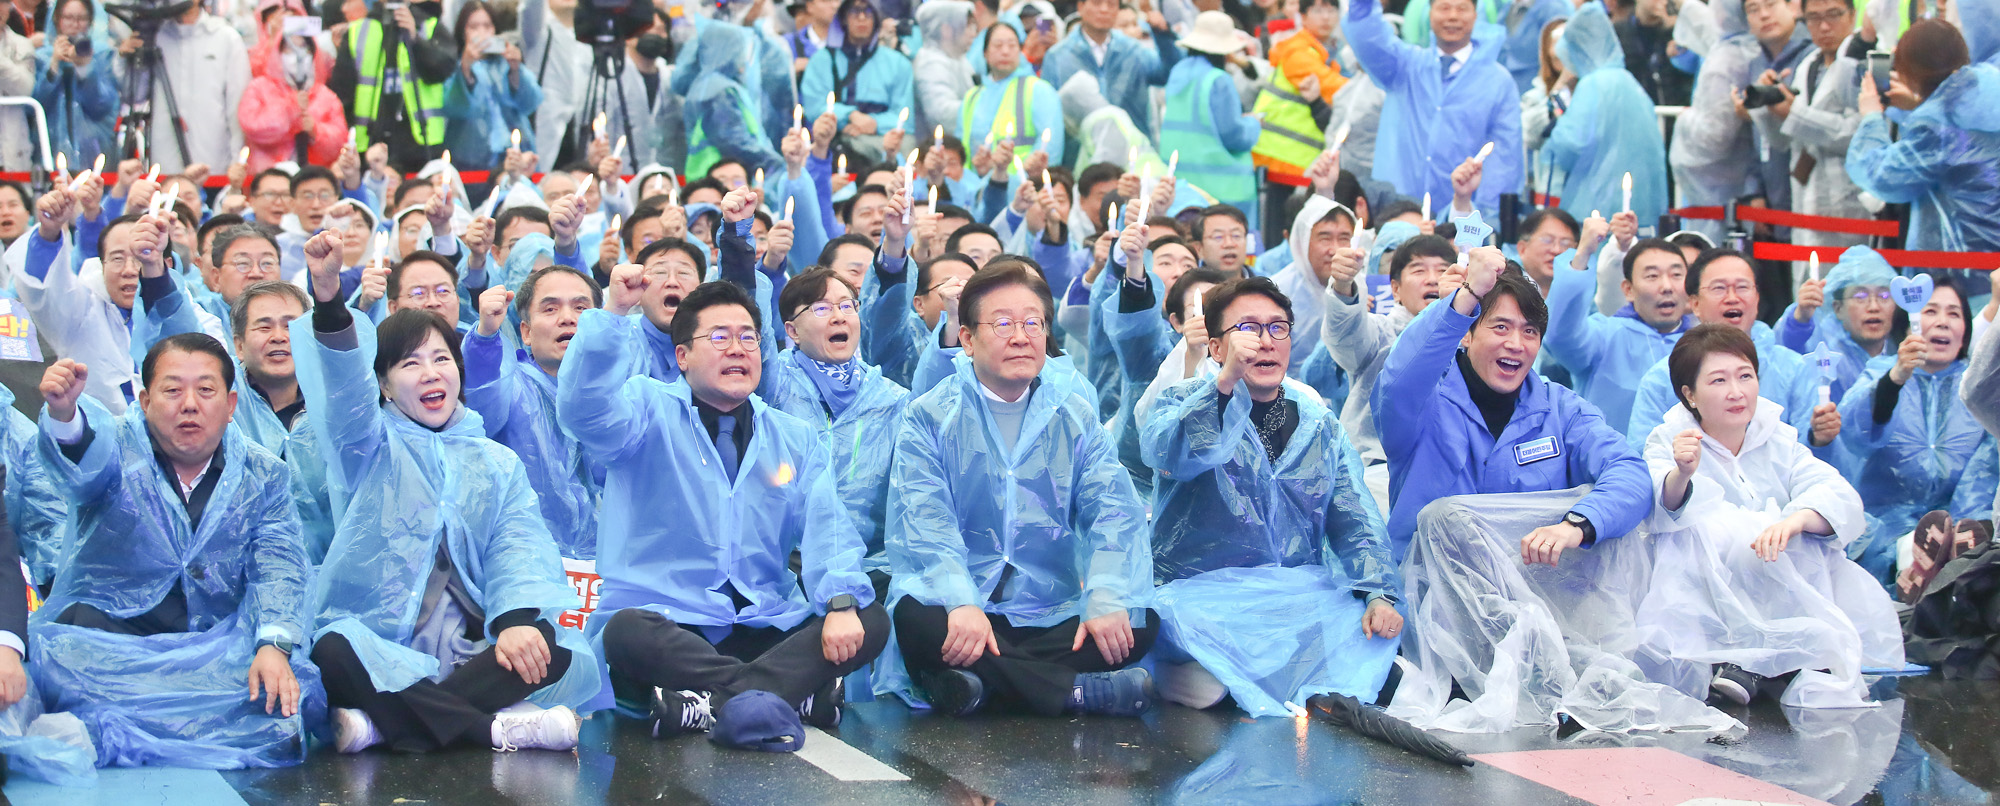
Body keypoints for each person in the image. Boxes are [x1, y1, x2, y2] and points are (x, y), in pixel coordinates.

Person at [293, 230, 596, 754]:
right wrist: (327, 299)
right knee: (336, 650)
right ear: (383, 385)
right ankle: (492, 728)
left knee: (548, 646)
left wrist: (516, 621)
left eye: (441, 359)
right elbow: (343, 388)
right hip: (383, 633)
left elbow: (518, 544)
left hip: (470, 637)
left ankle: (382, 725)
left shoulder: (493, 459)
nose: (431, 373)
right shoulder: (364, 443)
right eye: (410, 364)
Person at [559, 274, 887, 740]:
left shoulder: (792, 436)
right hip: (674, 623)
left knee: (869, 615)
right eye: (719, 337)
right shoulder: (644, 409)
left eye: (748, 337)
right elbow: (582, 410)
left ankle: (707, 703)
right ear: (682, 356)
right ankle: (790, 693)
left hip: (763, 622)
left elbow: (827, 529)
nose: (737, 348)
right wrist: (612, 313)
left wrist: (838, 604)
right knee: (627, 632)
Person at [887, 263, 1159, 718]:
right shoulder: (930, 416)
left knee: (1139, 620)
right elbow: (927, 522)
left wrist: (1106, 594)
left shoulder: (1074, 414)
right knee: (916, 619)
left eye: (1033, 322)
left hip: (1050, 605)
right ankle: (1068, 690)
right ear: (969, 339)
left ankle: (980, 685)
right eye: (1004, 323)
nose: (1021, 336)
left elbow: (1112, 510)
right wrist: (962, 601)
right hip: (965, 606)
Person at [33, 332, 310, 768]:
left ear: (231, 404)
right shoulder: (115, 450)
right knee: (60, 659)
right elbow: (81, 467)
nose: (189, 404)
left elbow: (279, 565)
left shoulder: (264, 474)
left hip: (210, 639)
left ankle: (116, 724)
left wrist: (272, 646)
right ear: (144, 401)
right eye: (172, 390)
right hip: (114, 632)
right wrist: (65, 415)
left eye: (205, 390)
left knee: (289, 688)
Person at [1141, 276, 1403, 715]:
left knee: (1367, 626)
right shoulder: (1181, 402)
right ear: (1216, 346)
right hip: (1200, 596)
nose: (1264, 342)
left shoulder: (1318, 423)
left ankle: (1233, 678)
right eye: (1247, 328)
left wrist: (1378, 592)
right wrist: (1223, 384)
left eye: (1277, 328)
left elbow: (1353, 517)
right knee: (1177, 622)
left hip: (1291, 596)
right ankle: (1199, 672)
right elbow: (1172, 453)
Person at [1637, 324, 1901, 709]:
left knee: (1799, 532)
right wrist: (1682, 473)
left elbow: (1836, 492)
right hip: (1707, 582)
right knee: (1708, 533)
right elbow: (1662, 507)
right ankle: (1737, 657)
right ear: (1689, 394)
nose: (1736, 391)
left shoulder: (1777, 436)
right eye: (1718, 380)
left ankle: (1782, 657)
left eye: (1745, 376)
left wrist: (1795, 521)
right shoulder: (1669, 439)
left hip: (1777, 563)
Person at [1834, 275, 1992, 584]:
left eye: (1954, 313)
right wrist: (1896, 378)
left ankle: (1946, 560)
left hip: (1961, 526)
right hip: (1885, 527)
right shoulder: (1882, 372)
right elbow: (1854, 430)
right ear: (1908, 326)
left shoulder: (1978, 387)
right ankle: (1912, 560)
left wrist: (1962, 526)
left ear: (1965, 333)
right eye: (1931, 311)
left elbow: (1985, 469)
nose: (1943, 322)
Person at [1624, 248, 1837, 453]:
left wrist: (1818, 439)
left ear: (1757, 298)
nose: (1732, 297)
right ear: (1695, 303)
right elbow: (1645, 453)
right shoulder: (1663, 377)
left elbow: (1805, 454)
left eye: (1743, 287)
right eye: (1719, 288)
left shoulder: (1792, 367)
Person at [462, 267, 605, 561]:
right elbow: (480, 409)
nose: (568, 317)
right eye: (550, 308)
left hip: (602, 569)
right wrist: (486, 336)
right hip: (522, 566)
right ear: (525, 332)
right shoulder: (511, 387)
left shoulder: (617, 393)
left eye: (581, 308)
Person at [1847, 20, 2000, 292]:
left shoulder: (1935, 128)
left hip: (1960, 283)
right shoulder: (1988, 91)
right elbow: (1958, 137)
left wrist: (1871, 116)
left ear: (1908, 71)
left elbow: (1879, 174)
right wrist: (1920, 106)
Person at [1347, 0, 1524, 217]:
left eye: (1461, 8)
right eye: (1444, 7)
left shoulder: (1498, 81)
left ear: (1475, 14)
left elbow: (1504, 157)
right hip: (1400, 211)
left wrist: (1486, 217)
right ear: (1429, 14)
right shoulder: (1406, 65)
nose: (1452, 16)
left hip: (1460, 215)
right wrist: (1362, 5)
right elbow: (1370, 40)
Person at [1319, 232, 1455, 514]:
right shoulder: (1378, 333)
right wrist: (1344, 285)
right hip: (1378, 475)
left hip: (1449, 481)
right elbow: (1345, 334)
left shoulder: (1472, 341)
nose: (1432, 279)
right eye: (1419, 270)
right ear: (1395, 289)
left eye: (1443, 271)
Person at [1545, 226, 1695, 434]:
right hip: (1610, 464)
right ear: (1628, 289)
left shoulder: (1704, 344)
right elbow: (1560, 336)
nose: (1667, 286)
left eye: (1677, 275)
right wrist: (1582, 255)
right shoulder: (1605, 337)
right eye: (1652, 276)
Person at [1543, 3, 1668, 227]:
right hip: (1640, 210)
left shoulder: (1593, 85)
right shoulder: (1629, 82)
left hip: (1596, 209)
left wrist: (1556, 135)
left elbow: (1570, 144)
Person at [1775, 0, 1869, 255]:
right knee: (1807, 287)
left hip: (1849, 199)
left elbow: (1859, 133)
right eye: (1814, 18)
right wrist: (1769, 110)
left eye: (1833, 15)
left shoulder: (1865, 63)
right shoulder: (1807, 63)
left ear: (1852, 15)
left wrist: (1794, 114)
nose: (1824, 26)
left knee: (1849, 287)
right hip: (1807, 196)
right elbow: (1784, 139)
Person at [329, 0, 458, 174]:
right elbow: (342, 91)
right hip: (370, 141)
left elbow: (443, 69)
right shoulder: (357, 31)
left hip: (421, 143)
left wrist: (415, 39)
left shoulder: (429, 25)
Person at [1160, 12, 1263, 227]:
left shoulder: (1178, 71)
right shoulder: (1218, 80)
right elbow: (1233, 135)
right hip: (1220, 191)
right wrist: (1253, 124)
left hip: (1181, 186)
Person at [1041, 0, 1180, 158]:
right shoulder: (1058, 56)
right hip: (1081, 158)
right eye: (1097, 3)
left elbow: (1168, 74)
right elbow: (1050, 113)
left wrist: (1164, 38)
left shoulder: (1133, 51)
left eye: (1111, 4)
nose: (1104, 9)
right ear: (1081, 7)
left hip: (1131, 155)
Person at [135, 0, 251, 173]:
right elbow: (136, 95)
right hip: (164, 165)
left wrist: (237, 159)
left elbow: (238, 106)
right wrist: (131, 58)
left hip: (213, 162)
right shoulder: (156, 37)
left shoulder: (225, 37)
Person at [1775, 244, 1896, 401]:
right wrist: (1800, 318)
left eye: (1884, 296)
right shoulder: (1824, 350)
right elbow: (1787, 351)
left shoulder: (1905, 351)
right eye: (1860, 296)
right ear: (1838, 308)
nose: (1874, 306)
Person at [802, 0, 914, 166]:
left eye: (868, 12)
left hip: (881, 143)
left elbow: (905, 117)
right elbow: (813, 106)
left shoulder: (898, 64)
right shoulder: (822, 60)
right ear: (843, 18)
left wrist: (873, 124)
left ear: (876, 19)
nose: (862, 18)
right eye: (855, 11)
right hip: (836, 141)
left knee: (908, 145)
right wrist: (850, 116)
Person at [239, 0, 346, 174]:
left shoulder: (324, 95)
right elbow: (253, 126)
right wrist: (290, 109)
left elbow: (339, 141)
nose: (297, 56)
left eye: (304, 48)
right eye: (289, 49)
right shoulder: (260, 87)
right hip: (268, 179)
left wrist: (316, 131)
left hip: (312, 182)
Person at [442, 1, 543, 174]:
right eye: (473, 27)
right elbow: (455, 107)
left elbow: (531, 102)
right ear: (462, 31)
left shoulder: (504, 63)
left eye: (487, 26)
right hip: (471, 159)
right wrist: (466, 68)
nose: (482, 32)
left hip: (514, 151)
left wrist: (515, 69)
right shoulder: (453, 66)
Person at [1251, 0, 1345, 182]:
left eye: (1331, 10)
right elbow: (1338, 90)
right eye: (1317, 11)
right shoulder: (1298, 51)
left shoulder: (1322, 52)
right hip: (1282, 154)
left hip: (1294, 154)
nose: (1325, 17)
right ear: (1302, 16)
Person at [1397, 0, 1572, 92]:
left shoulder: (1553, 8)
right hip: (1503, 92)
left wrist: (1548, 95)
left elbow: (1561, 61)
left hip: (1536, 98)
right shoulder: (1508, 7)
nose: (1452, 15)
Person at [685, 23, 785, 182]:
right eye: (740, 50)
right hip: (721, 181)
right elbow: (733, 139)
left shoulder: (709, 85)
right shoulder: (717, 90)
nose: (744, 59)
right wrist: (773, 162)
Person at [959, 24, 1065, 163]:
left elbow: (1051, 146)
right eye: (998, 45)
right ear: (985, 53)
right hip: (976, 183)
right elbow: (962, 150)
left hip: (1024, 182)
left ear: (1020, 51)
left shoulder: (1038, 90)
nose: (1005, 51)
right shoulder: (971, 97)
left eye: (1012, 45)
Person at [30, 0, 116, 164]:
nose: (75, 24)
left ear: (91, 20)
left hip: (94, 152)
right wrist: (54, 64)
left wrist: (85, 68)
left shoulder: (102, 54)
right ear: (57, 19)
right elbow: (36, 106)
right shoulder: (41, 57)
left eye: (81, 18)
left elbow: (103, 107)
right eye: (68, 17)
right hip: (49, 152)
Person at [913, 1, 977, 138]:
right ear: (946, 30)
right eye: (967, 26)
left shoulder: (959, 59)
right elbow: (942, 116)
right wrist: (985, 105)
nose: (973, 33)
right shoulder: (930, 63)